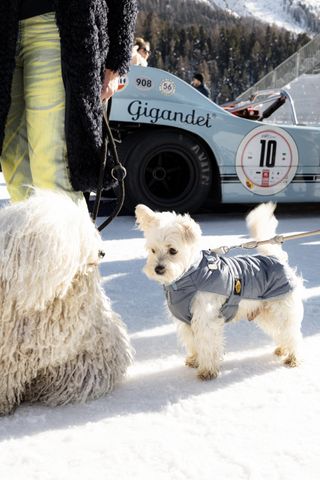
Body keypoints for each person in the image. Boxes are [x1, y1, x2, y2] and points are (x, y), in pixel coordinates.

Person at [0, 0, 137, 203]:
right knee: (13, 162)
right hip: (5, 29)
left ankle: (67, 234)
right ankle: (33, 234)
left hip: (57, 27)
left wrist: (116, 59)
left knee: (52, 165)